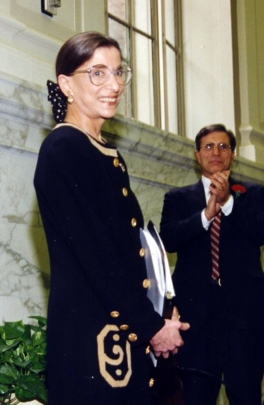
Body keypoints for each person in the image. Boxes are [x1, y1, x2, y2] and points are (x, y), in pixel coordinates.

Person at [34, 31, 190, 405]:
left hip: (119, 330)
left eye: (119, 72)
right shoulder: (64, 149)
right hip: (92, 337)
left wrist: (164, 305)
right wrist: (152, 327)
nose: (114, 84)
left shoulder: (103, 151)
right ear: (66, 84)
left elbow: (130, 249)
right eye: (98, 73)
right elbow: (98, 259)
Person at [159, 124, 264, 405]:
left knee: (246, 397)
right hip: (195, 319)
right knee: (196, 398)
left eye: (223, 146)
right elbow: (168, 240)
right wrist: (205, 215)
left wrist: (227, 203)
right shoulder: (178, 198)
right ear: (197, 156)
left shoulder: (253, 194)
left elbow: (263, 232)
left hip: (245, 318)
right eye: (208, 146)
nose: (216, 152)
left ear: (233, 155)